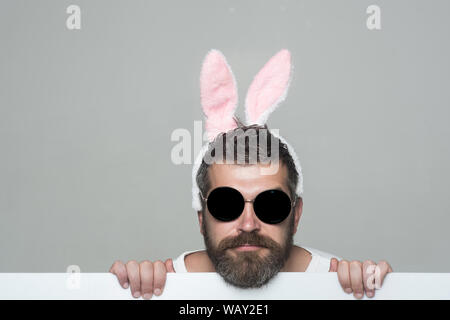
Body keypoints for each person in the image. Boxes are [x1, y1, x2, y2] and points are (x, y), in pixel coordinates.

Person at [110, 49, 393, 300]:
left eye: (270, 204)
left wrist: (387, 292)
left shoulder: (338, 285)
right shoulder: (164, 287)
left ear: (296, 214)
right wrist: (118, 290)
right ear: (201, 217)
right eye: (225, 204)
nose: (248, 224)